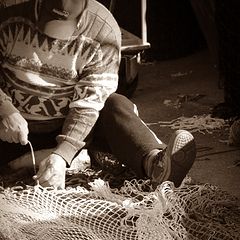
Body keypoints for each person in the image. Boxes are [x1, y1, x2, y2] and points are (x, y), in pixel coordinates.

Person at [0, 0, 196, 189]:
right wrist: (5, 109)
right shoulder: (9, 18)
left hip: (71, 127)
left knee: (115, 105)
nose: (52, 42)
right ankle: (38, 160)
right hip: (13, 131)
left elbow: (89, 103)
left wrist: (62, 153)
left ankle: (156, 164)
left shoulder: (103, 30)